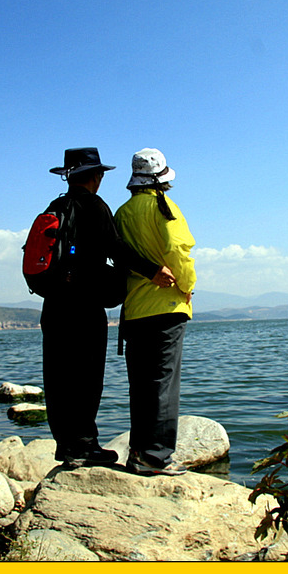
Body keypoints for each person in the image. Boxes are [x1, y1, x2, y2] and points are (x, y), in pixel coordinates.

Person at [39, 147, 175, 469]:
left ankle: (67, 446)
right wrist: (153, 270)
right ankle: (85, 446)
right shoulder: (95, 207)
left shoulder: (54, 206)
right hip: (84, 307)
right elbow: (117, 249)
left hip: (53, 307)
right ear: (96, 177)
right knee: (86, 378)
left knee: (58, 378)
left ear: (69, 175)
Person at [114, 148, 196, 476]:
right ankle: (156, 456)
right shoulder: (164, 207)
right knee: (163, 383)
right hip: (166, 305)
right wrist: (187, 286)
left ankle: (138, 451)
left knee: (142, 384)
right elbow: (179, 251)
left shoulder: (122, 213)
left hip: (133, 310)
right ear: (162, 179)